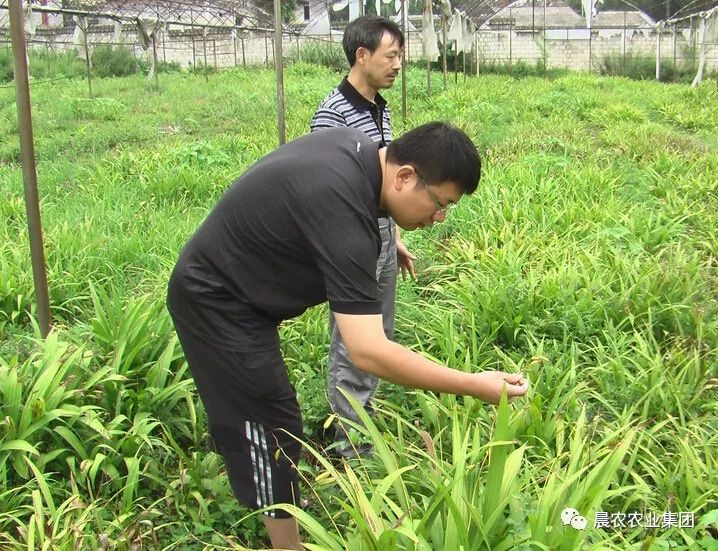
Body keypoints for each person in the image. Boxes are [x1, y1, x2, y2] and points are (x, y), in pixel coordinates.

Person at [167, 122, 529, 550]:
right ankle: (286, 544)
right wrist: (472, 384)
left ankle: (238, 433)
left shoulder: (357, 152)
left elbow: (324, 212)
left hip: (241, 286)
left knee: (262, 407)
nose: (438, 219)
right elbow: (368, 352)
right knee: (271, 423)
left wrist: (389, 238)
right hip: (217, 302)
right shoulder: (343, 218)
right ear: (405, 176)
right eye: (439, 204)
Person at [310, 14, 416, 457]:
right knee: (356, 340)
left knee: (380, 335)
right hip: (351, 241)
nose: (398, 65)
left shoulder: (378, 106)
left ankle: (360, 417)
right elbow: (331, 191)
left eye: (400, 57)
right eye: (391, 56)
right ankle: (349, 447)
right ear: (362, 55)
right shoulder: (333, 114)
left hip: (379, 235)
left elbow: (381, 184)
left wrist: (392, 236)